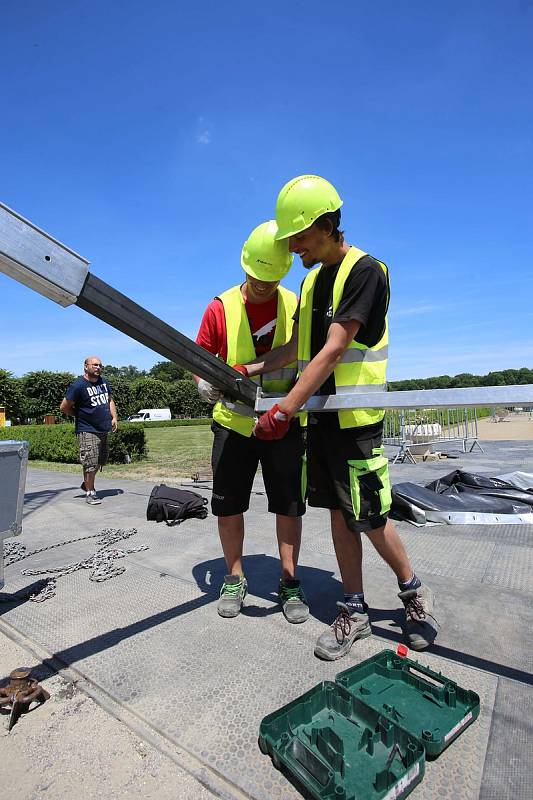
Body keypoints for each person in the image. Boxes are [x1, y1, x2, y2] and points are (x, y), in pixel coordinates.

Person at [247, 175, 439, 658]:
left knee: (370, 515)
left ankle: (413, 592)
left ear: (328, 226)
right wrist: (248, 368)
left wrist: (284, 408)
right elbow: (298, 348)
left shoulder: (366, 271)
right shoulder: (311, 280)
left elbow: (334, 349)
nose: (293, 247)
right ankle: (354, 609)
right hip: (322, 421)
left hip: (356, 420)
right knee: (338, 513)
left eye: (300, 236)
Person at [194, 220, 308, 623]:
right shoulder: (219, 307)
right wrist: (202, 381)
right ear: (244, 265)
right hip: (234, 424)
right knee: (228, 505)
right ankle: (234, 577)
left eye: (271, 278)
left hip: (283, 421)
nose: (263, 285)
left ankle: (289, 581)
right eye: (257, 277)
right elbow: (200, 357)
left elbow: (297, 353)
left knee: (289, 505)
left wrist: (248, 368)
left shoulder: (295, 305)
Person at [60, 356, 117, 505]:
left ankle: (87, 483)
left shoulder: (104, 382)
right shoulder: (78, 386)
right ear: (86, 366)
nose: (98, 367)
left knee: (100, 460)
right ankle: (90, 492)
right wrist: (79, 415)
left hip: (103, 428)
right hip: (87, 429)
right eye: (95, 365)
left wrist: (114, 417)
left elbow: (110, 400)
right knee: (90, 461)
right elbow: (64, 407)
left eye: (100, 365)